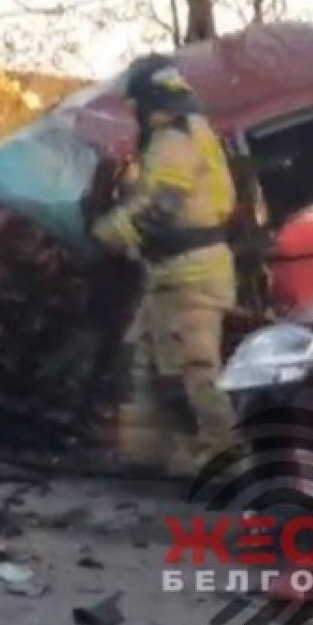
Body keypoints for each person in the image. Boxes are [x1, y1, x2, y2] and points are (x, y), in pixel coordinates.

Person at [91, 54, 238, 477]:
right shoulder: (179, 134)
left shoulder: (174, 139)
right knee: (146, 364)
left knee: (195, 374)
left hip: (191, 275)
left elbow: (159, 205)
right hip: (172, 273)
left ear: (148, 100)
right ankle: (154, 458)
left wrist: (106, 235)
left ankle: (223, 462)